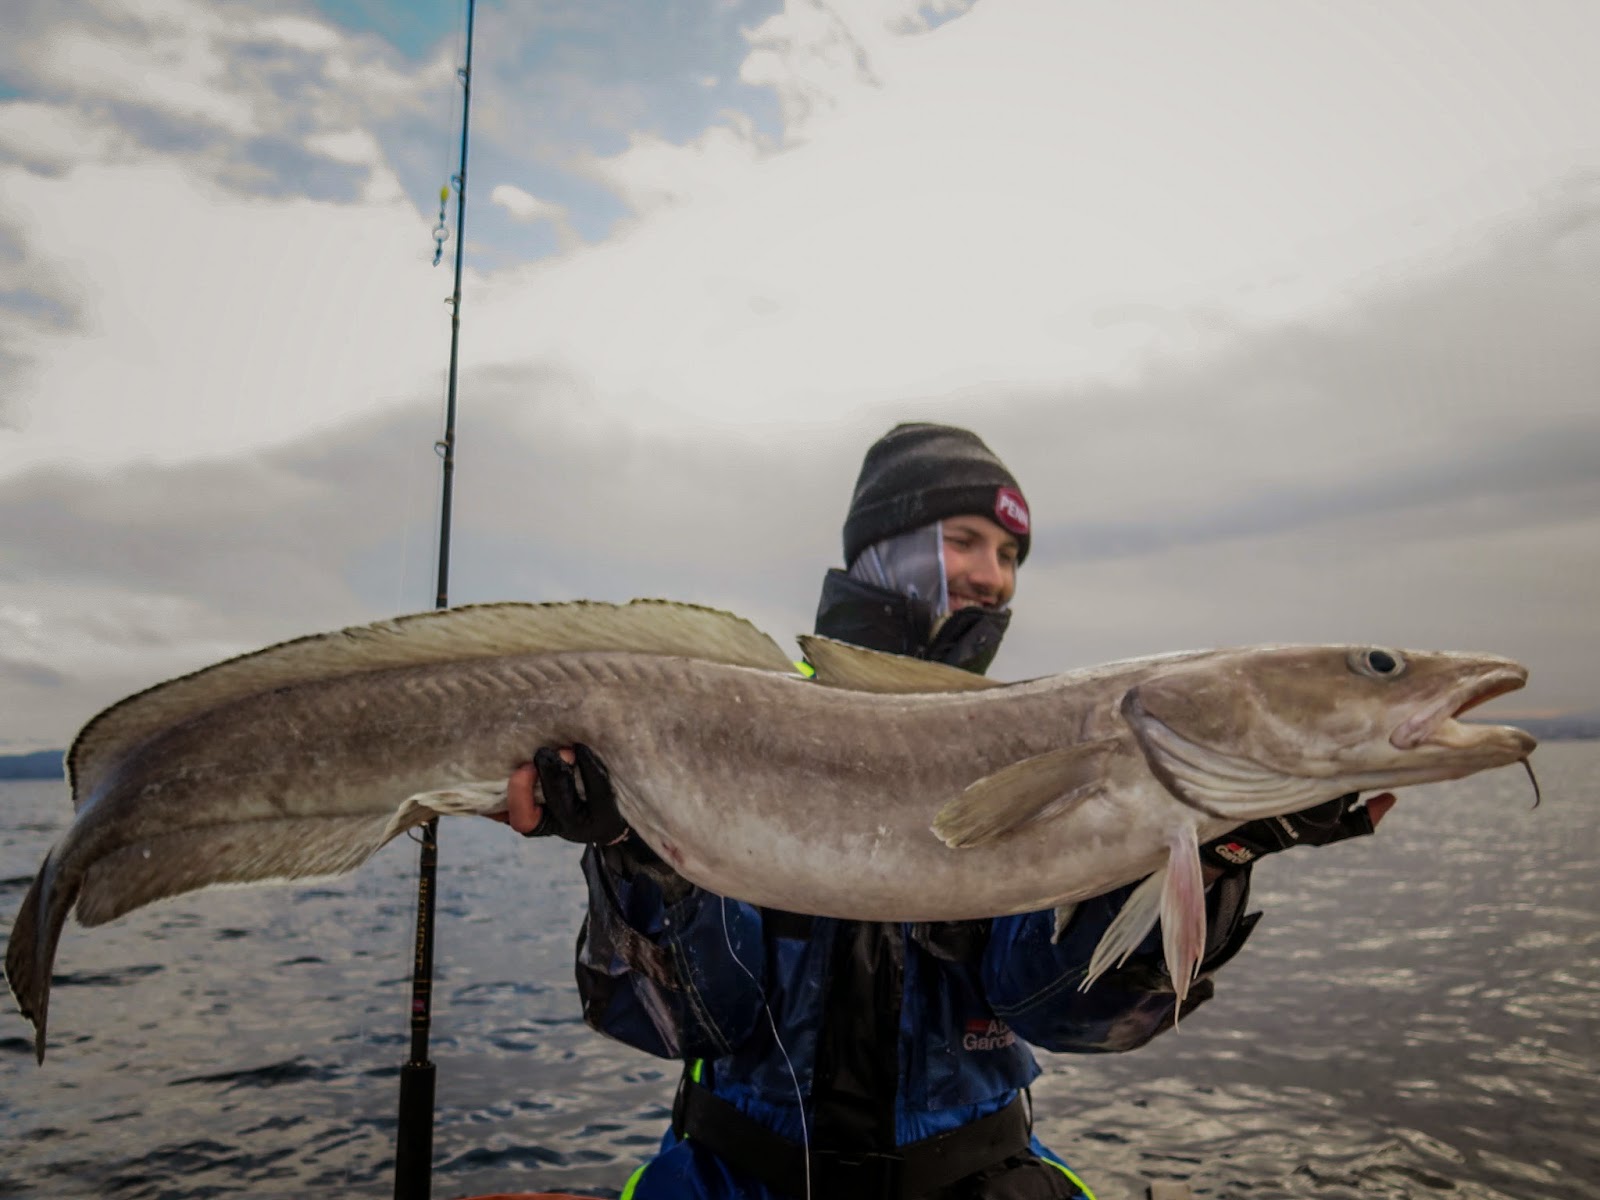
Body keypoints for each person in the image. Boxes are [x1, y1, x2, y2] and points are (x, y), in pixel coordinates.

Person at [500, 423, 1393, 1200]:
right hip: (732, 1176)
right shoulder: (723, 725)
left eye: (1009, 557)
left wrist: (1221, 852)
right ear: (879, 547)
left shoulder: (1043, 747)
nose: (992, 577)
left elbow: (1065, 1010)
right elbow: (679, 1022)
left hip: (977, 1179)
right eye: (965, 541)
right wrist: (636, 854)